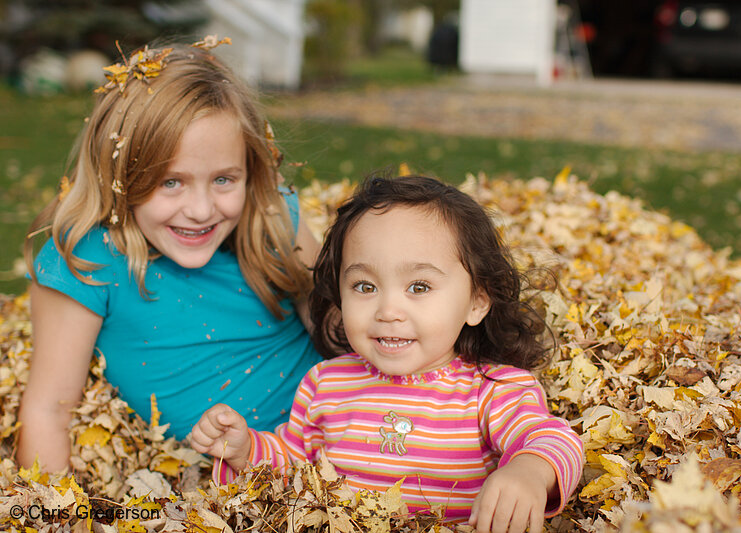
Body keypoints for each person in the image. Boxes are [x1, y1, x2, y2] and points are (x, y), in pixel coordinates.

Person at [191, 175, 584, 532]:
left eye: (419, 287)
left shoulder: (491, 390)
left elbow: (551, 438)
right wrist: (244, 450)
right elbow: (293, 461)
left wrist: (530, 472)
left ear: (476, 302)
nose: (387, 311)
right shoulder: (326, 383)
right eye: (364, 286)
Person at [17, 40, 322, 472]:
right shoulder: (88, 259)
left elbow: (335, 330)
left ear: (250, 170)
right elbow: (49, 409)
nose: (200, 211)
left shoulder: (272, 215)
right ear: (117, 176)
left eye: (223, 179)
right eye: (170, 182)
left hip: (345, 443)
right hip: (230, 488)